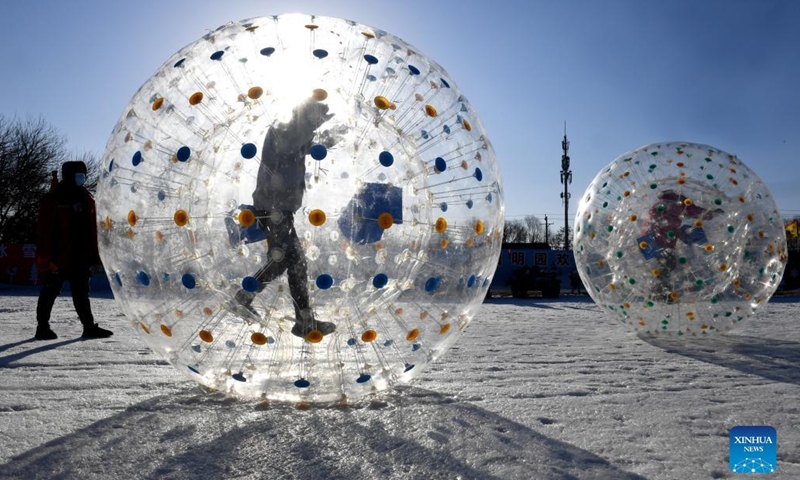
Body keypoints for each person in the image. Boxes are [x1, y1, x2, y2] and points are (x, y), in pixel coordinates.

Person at [234, 98, 340, 339]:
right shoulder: (281, 129)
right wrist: (311, 125)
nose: (315, 125)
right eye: (312, 118)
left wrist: (334, 133)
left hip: (280, 209)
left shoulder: (296, 134)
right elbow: (290, 145)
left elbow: (311, 146)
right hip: (272, 207)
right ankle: (299, 319)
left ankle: (248, 299)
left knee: (286, 260)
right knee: (294, 260)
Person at [34, 161, 113, 340]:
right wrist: (46, 260)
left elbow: (92, 228)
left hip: (80, 255)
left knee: (81, 293)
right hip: (58, 257)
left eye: (83, 174)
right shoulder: (54, 199)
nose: (82, 177)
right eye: (78, 174)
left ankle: (89, 327)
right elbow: (44, 233)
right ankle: (42, 327)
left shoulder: (85, 197)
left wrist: (96, 254)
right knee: (50, 291)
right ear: (69, 175)